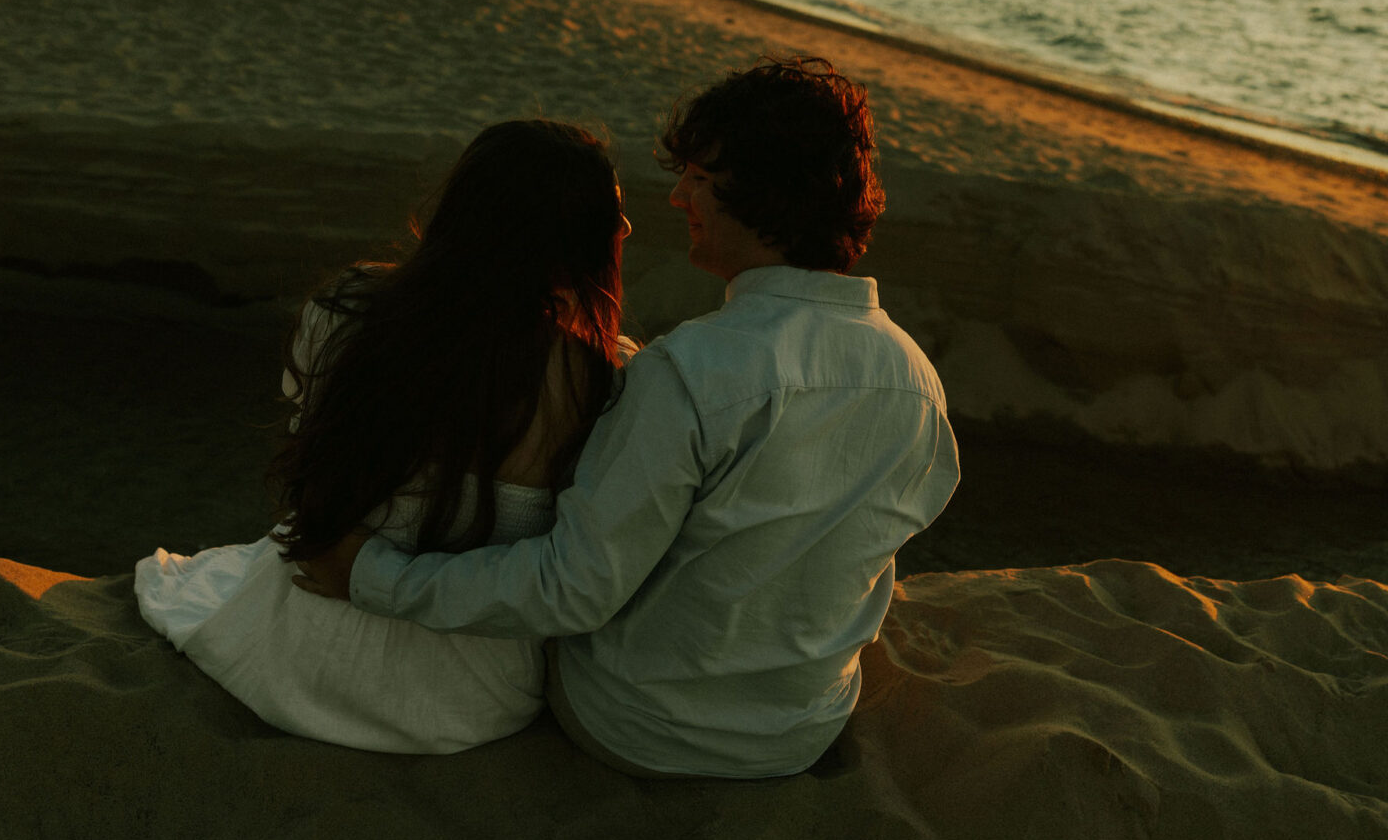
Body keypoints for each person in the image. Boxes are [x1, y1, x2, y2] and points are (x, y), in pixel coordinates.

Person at [297, 56, 960, 778]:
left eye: (701, 178)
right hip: (799, 733)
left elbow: (573, 588)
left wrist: (369, 573)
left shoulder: (689, 374)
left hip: (637, 726)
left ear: (768, 198)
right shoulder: (917, 382)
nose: (677, 196)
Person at [135, 119, 633, 753]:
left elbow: (310, 440)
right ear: (570, 239)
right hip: (464, 698)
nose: (624, 231)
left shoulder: (351, 307)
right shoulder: (598, 379)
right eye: (611, 216)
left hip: (294, 650)